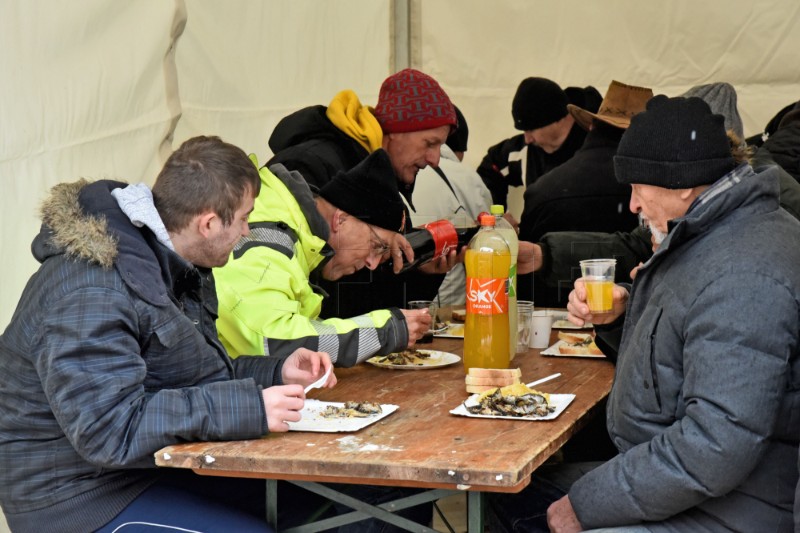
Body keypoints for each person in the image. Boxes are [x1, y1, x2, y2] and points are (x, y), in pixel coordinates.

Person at [0, 136, 337, 532]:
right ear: (209, 223)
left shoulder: (157, 262)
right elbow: (109, 431)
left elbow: (193, 376)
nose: (248, 232)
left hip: (147, 473)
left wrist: (277, 373)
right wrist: (252, 407)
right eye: (244, 218)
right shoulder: (91, 290)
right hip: (76, 500)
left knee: (322, 497)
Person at [498, 96, 800, 532]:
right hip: (701, 482)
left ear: (681, 184)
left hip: (735, 507)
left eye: (639, 187)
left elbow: (714, 448)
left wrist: (586, 505)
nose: (634, 204)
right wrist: (625, 313)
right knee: (518, 493)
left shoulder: (743, 271)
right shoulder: (713, 234)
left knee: (539, 506)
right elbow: (684, 352)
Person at [520, 82, 800, 311]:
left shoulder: (771, 205)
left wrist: (662, 284)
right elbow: (632, 245)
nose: (633, 204)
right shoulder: (707, 203)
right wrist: (545, 254)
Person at [268, 68, 461, 318]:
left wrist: (420, 271)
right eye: (430, 143)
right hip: (306, 349)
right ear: (395, 130)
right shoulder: (308, 165)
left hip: (349, 348)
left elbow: (377, 296)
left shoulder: (383, 181)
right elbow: (284, 277)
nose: (436, 160)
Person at [215, 148, 432, 363]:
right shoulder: (267, 240)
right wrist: (385, 331)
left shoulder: (293, 231)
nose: (372, 263)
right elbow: (272, 341)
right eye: (376, 245)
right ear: (341, 219)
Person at [516, 80, 652, 307]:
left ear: (592, 126)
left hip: (553, 325)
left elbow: (522, 288)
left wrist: (542, 255)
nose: (633, 204)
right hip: (629, 319)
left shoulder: (541, 190)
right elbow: (634, 247)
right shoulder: (657, 191)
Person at [409, 106, 492, 305]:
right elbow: (487, 237)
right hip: (453, 304)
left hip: (405, 302)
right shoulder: (467, 177)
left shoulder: (401, 170)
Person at [477, 77, 601, 208]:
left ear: (556, 120)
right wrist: (496, 216)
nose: (527, 139)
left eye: (531, 129)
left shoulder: (598, 146)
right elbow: (490, 169)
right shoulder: (526, 149)